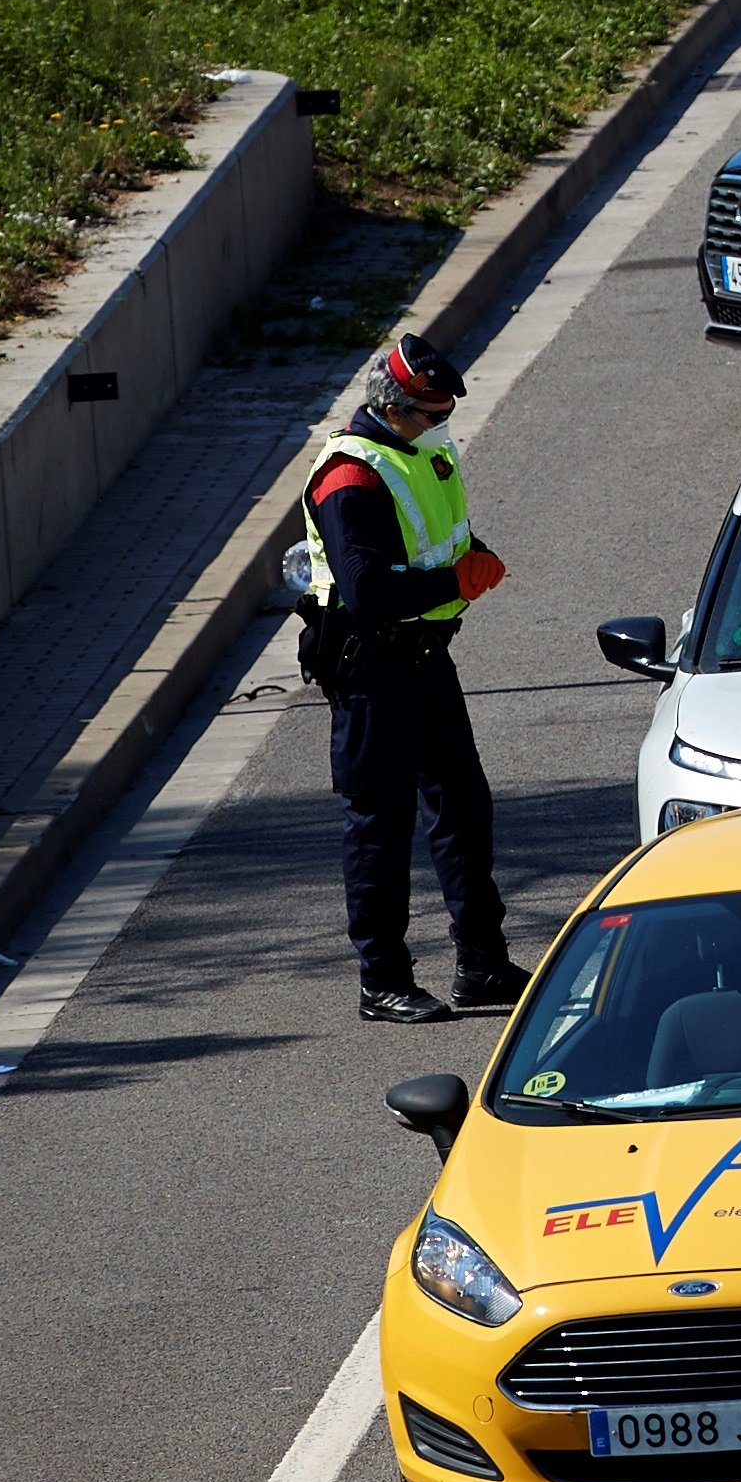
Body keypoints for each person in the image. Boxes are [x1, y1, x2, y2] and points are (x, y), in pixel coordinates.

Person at [298, 333, 522, 1025]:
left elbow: (438, 535)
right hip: (373, 670)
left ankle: (481, 963)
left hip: (426, 659)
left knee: (462, 809)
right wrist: (451, 581)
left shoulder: (419, 449)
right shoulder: (349, 478)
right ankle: (383, 980)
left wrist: (473, 556)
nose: (441, 423)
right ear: (394, 407)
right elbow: (367, 591)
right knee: (379, 825)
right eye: (431, 412)